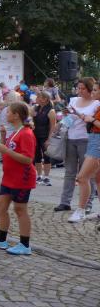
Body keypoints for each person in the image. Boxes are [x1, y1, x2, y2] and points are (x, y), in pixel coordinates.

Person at [0, 102, 36, 254]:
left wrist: (6, 150)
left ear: (16, 115)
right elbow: (6, 149)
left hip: (22, 178)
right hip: (9, 177)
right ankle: (1, 240)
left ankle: (25, 245)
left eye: (9, 112)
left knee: (20, 209)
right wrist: (3, 137)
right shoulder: (16, 132)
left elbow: (28, 159)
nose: (6, 114)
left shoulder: (26, 133)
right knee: (0, 206)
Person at [54, 78, 99, 213]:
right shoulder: (73, 100)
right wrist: (61, 123)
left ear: (89, 89)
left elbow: (92, 122)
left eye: (82, 88)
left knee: (87, 174)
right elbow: (69, 118)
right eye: (78, 88)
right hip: (71, 138)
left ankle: (87, 204)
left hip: (87, 139)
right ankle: (65, 202)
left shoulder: (96, 102)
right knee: (69, 172)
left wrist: (79, 115)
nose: (79, 91)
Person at [68, 84, 100, 222]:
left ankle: (81, 210)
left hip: (97, 142)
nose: (93, 92)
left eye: (95, 90)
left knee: (82, 177)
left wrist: (92, 120)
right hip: (93, 139)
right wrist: (82, 116)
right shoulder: (97, 106)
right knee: (98, 179)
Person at [32, 91, 56, 186]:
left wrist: (49, 139)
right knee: (37, 156)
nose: (36, 98)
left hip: (45, 137)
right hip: (35, 136)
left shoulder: (51, 111)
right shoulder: (35, 108)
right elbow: (29, 119)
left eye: (38, 97)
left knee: (47, 157)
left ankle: (46, 177)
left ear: (45, 99)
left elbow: (53, 127)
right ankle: (39, 176)